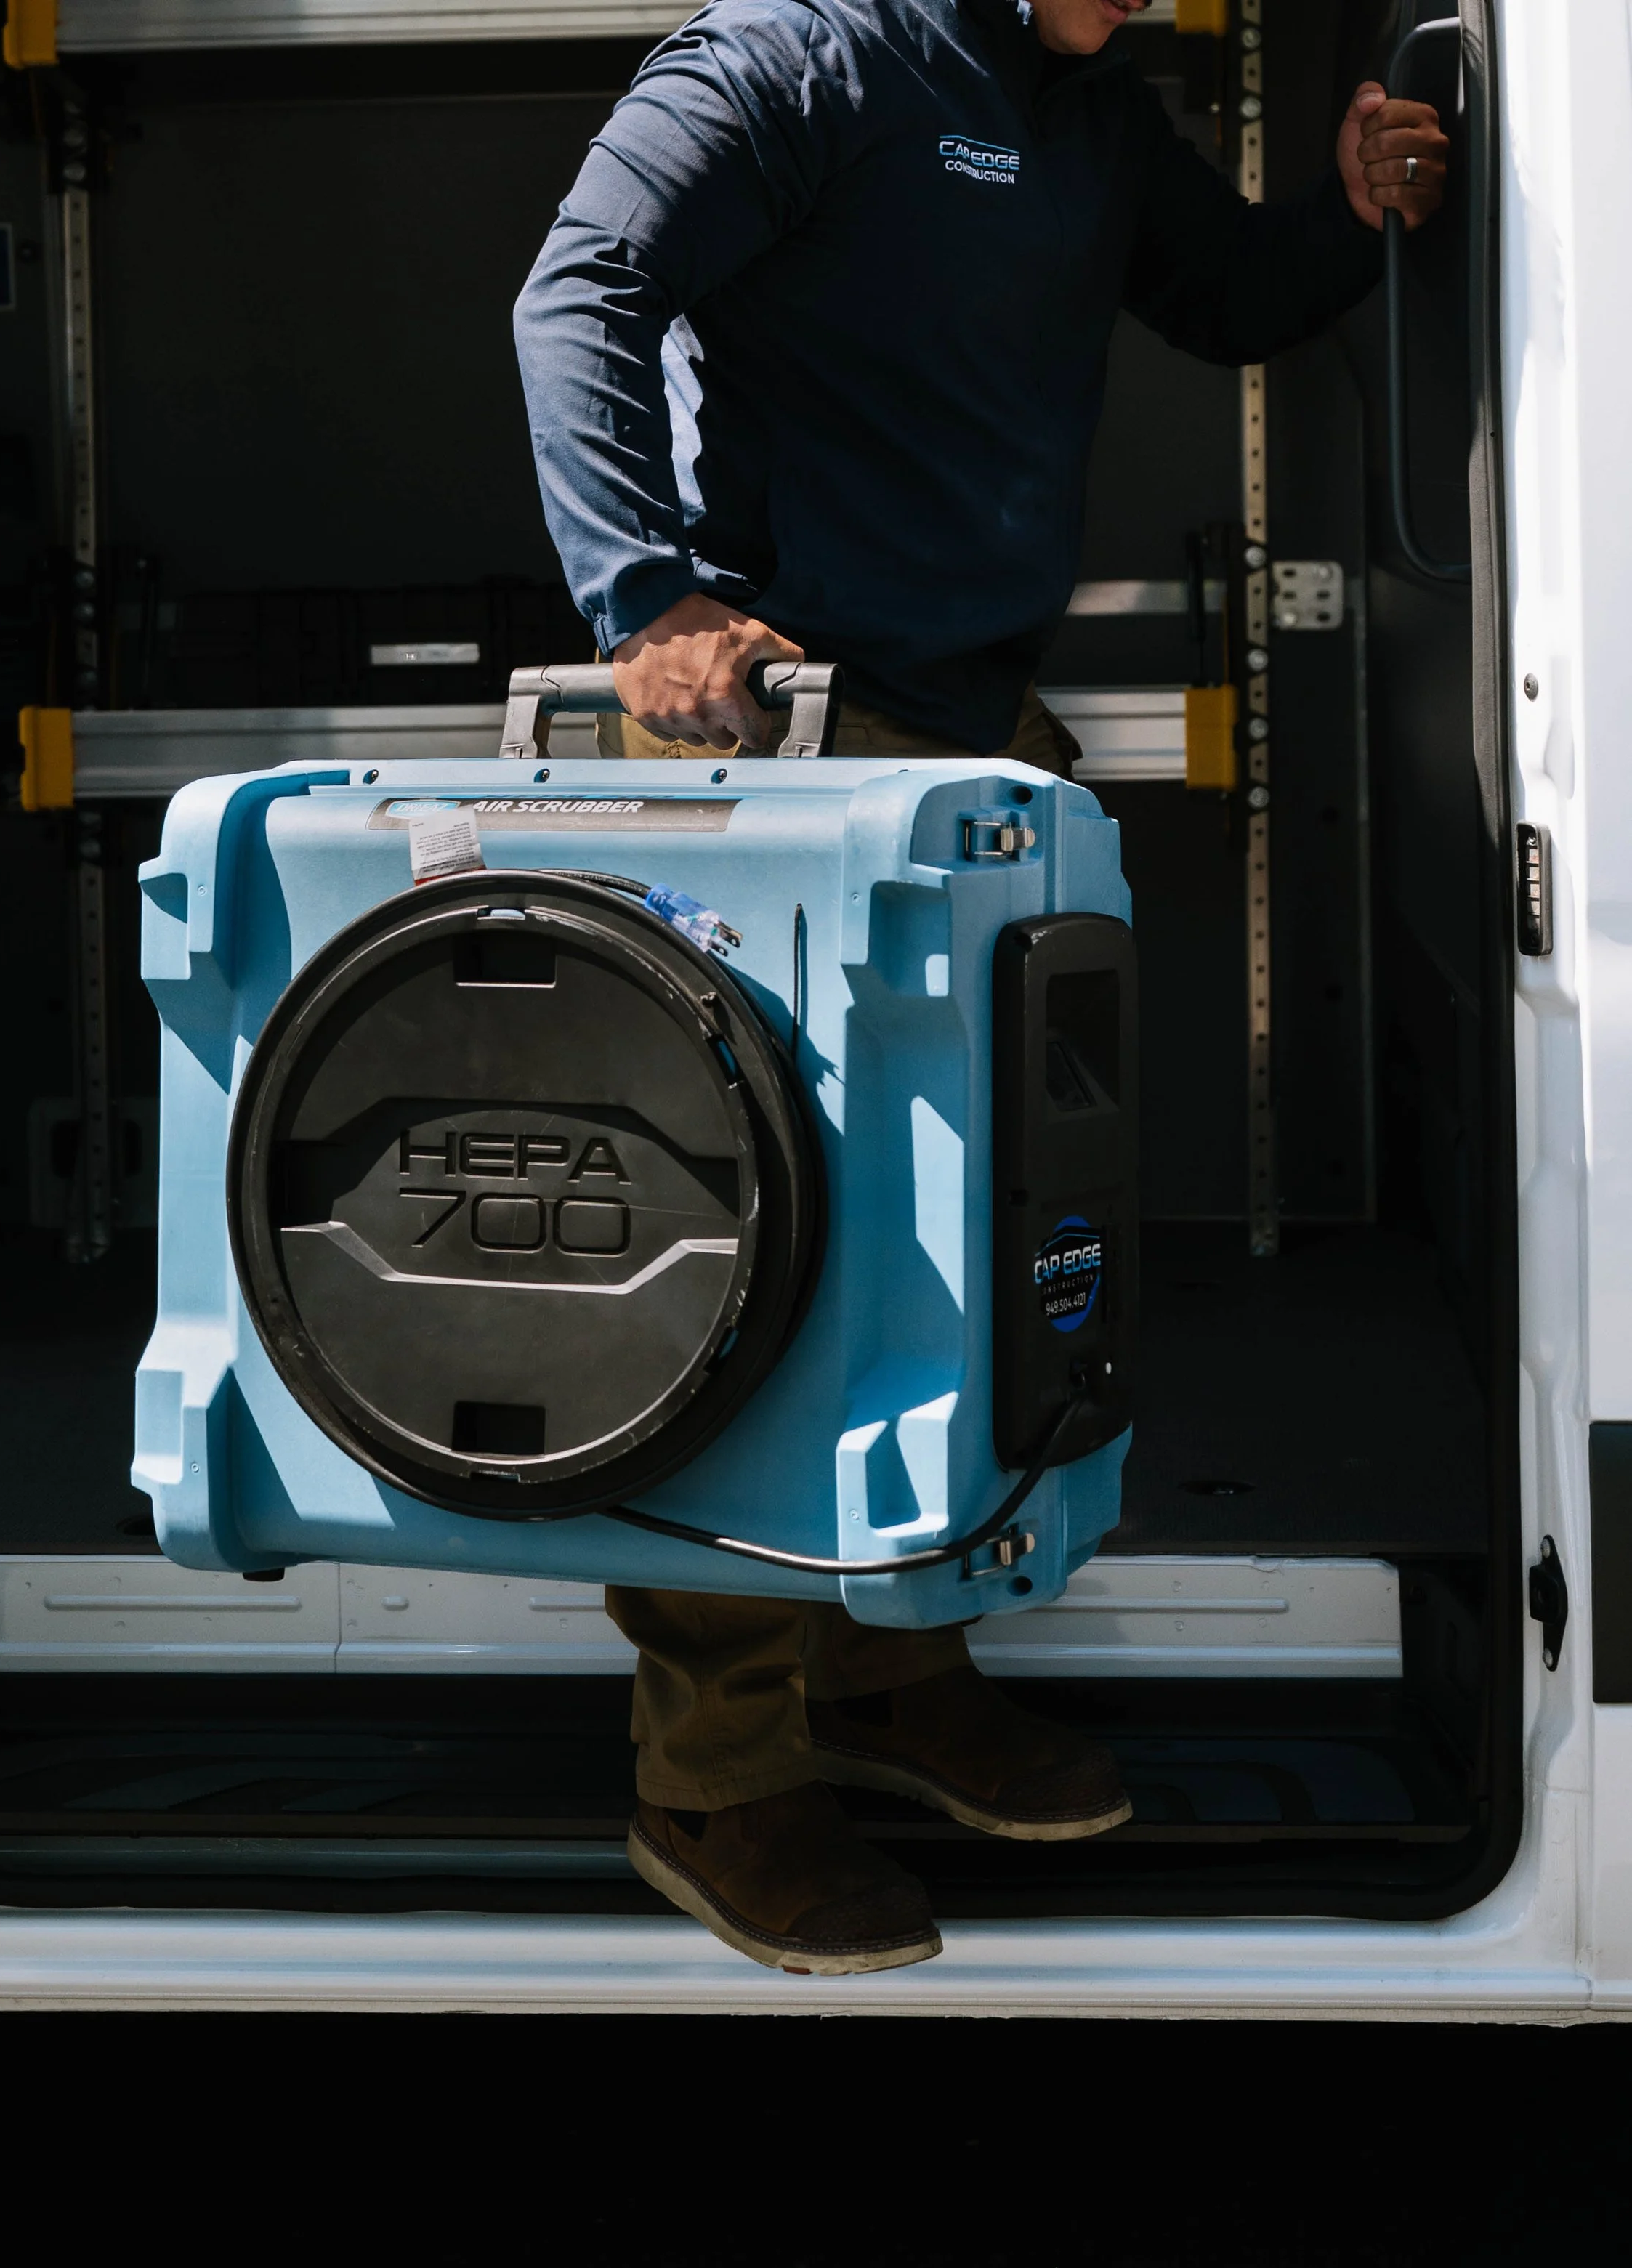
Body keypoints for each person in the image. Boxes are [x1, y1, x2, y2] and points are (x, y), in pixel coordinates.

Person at [513, 0, 1447, 1974]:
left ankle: (886, 1669)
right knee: (766, 1265)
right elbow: (581, 286)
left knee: (979, 1249)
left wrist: (1345, 205)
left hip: (962, 742)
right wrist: (647, 602)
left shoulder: (1091, 111)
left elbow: (1226, 294)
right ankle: (714, 1783)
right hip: (767, 737)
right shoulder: (796, 58)